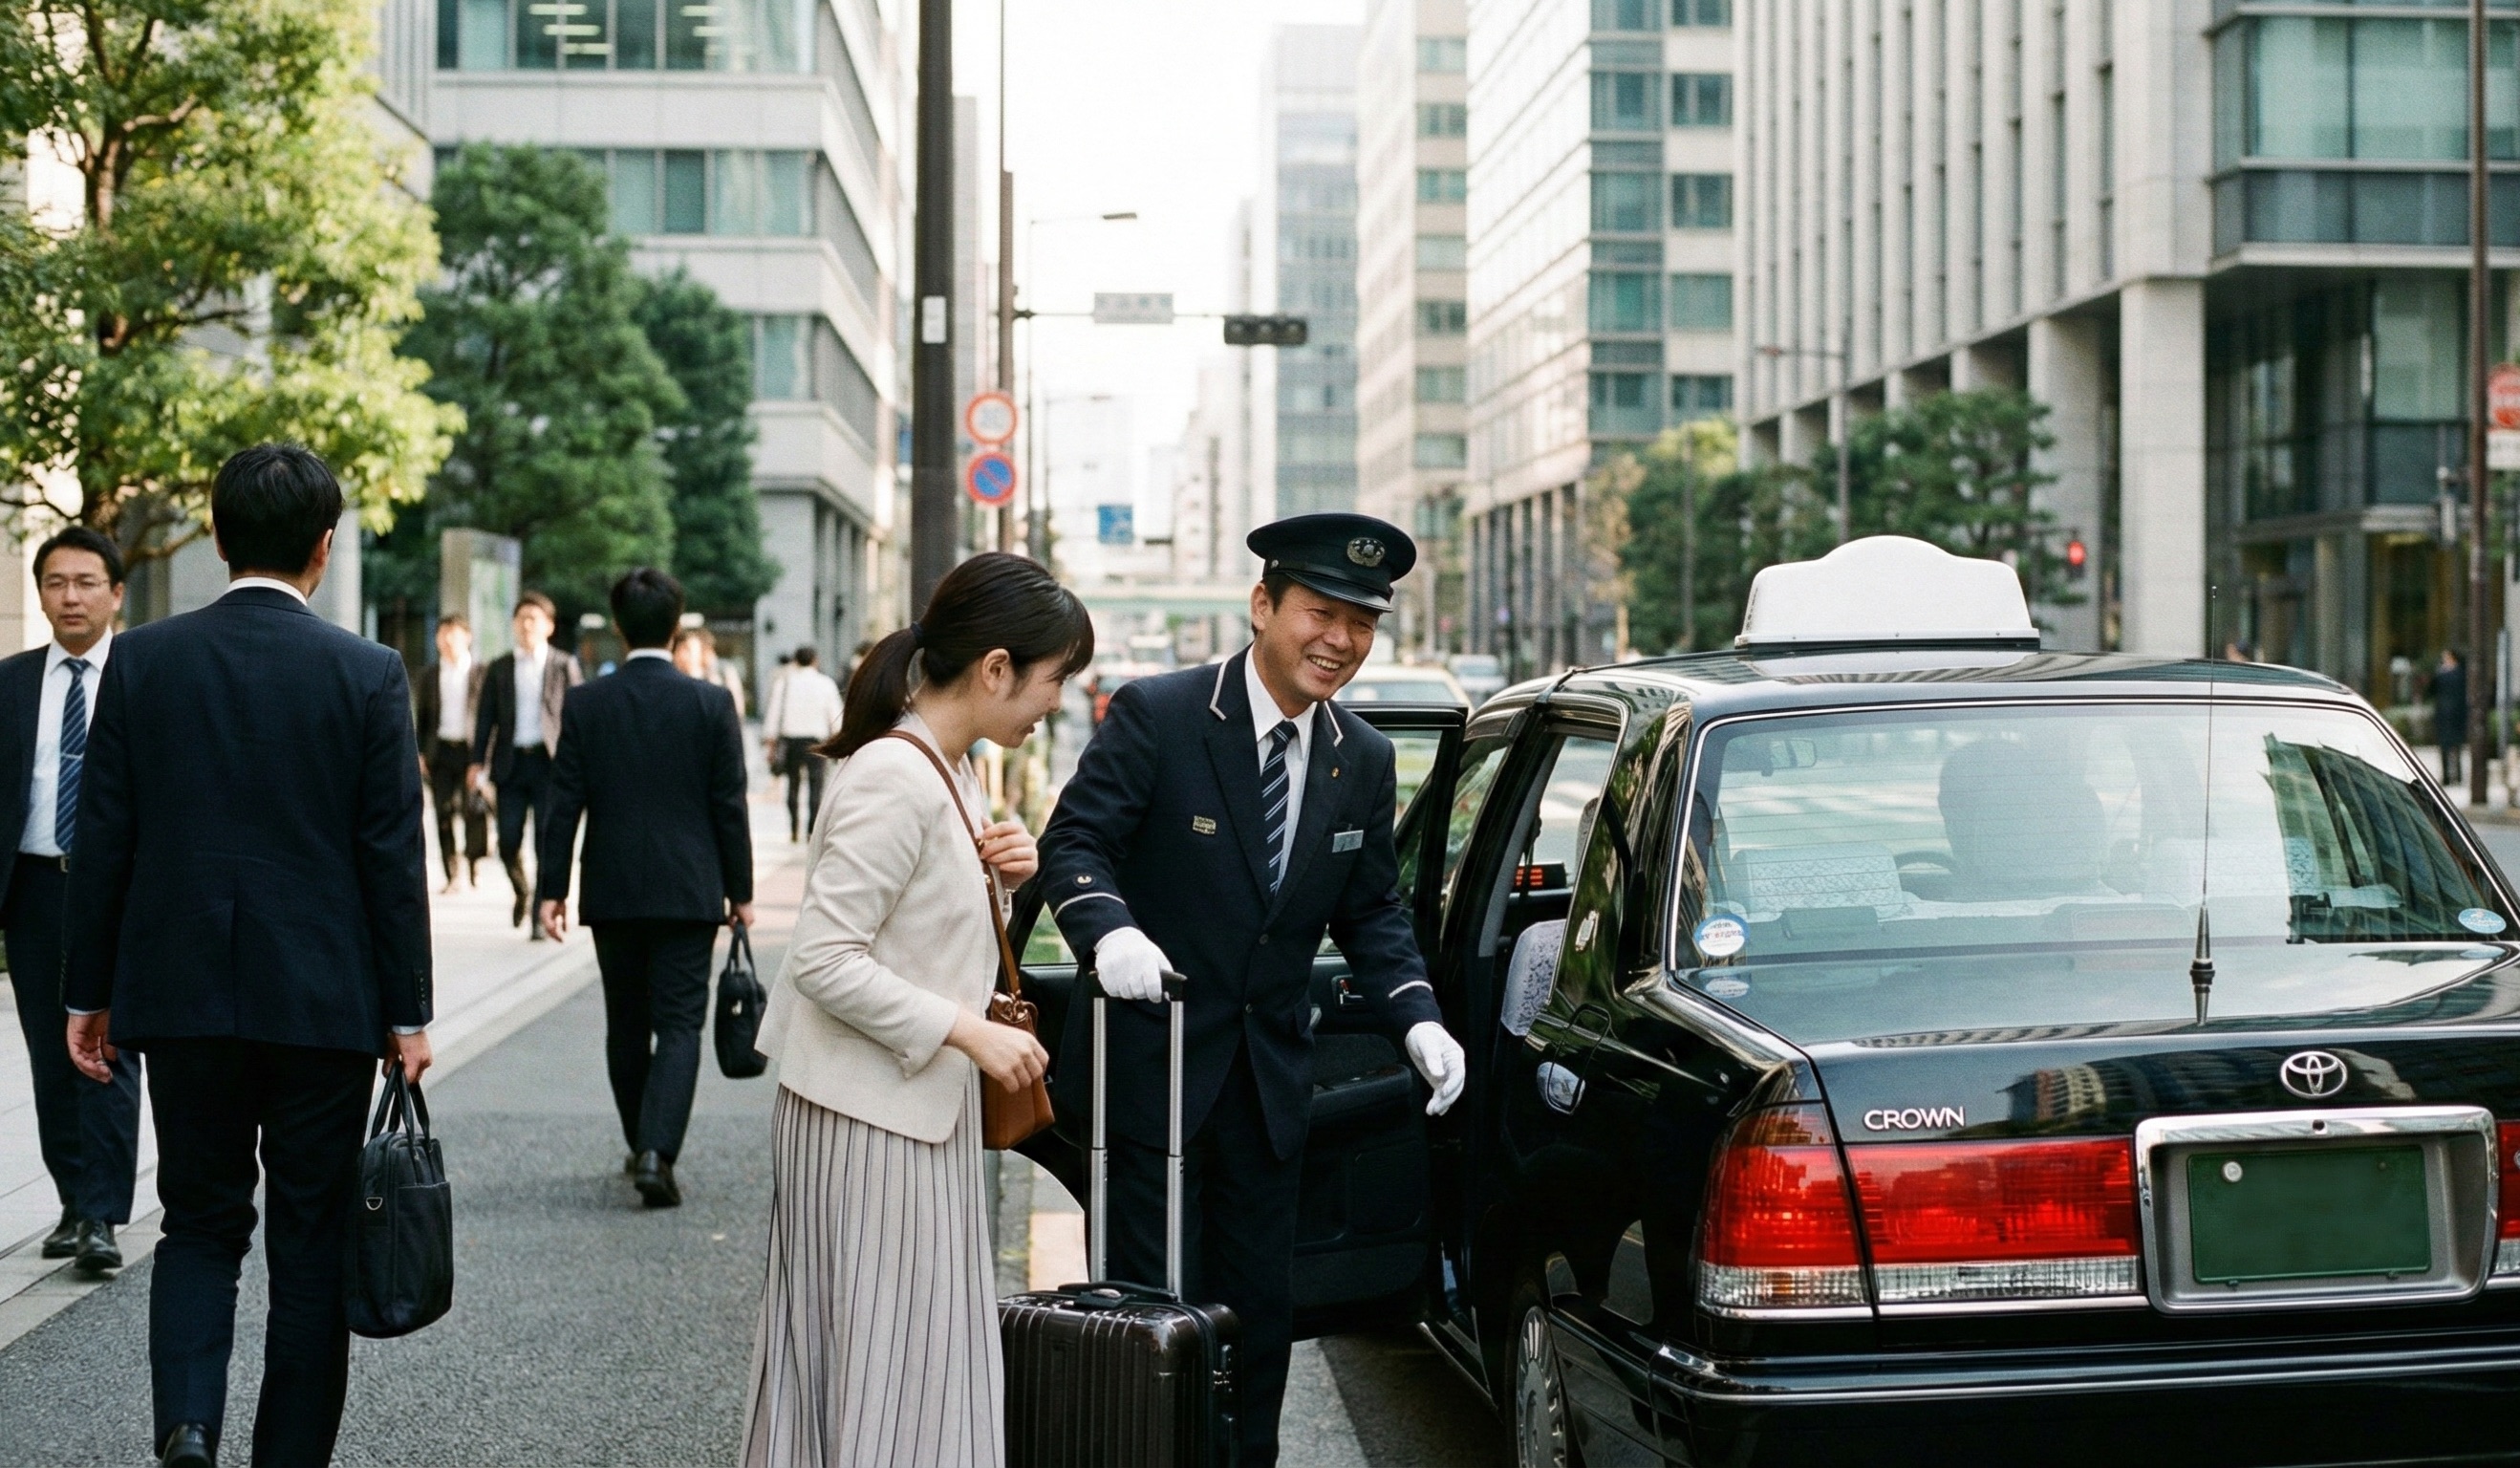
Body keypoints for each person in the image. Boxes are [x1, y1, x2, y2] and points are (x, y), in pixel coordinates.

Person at [1037, 512, 1469, 1468]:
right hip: (1149, 1083)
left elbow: (1373, 917)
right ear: (1262, 605)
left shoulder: (1363, 758)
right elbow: (1075, 844)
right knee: (1148, 1325)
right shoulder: (1162, 713)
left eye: (1361, 624)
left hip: (1267, 1096)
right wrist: (1109, 931)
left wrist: (1418, 1020)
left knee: (1258, 1326)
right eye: (1320, 613)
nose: (1340, 642)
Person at [63, 443, 433, 1468]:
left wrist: (85, 992)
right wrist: (408, 1015)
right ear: (325, 548)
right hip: (322, 1004)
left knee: (196, 1224)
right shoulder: (366, 672)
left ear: (218, 539)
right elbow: (390, 860)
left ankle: (188, 1426)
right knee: (309, 1241)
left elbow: (106, 841)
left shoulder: (143, 661)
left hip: (179, 996)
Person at [741, 552, 1085, 1468]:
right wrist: (966, 1029)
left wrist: (1006, 883)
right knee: (886, 1359)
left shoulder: (948, 768)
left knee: (901, 1359)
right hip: (868, 1115)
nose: (1056, 701)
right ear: (997, 668)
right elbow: (822, 957)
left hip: (895, 1108)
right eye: (1054, 680)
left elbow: (920, 940)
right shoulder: (900, 774)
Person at [537, 570, 754, 1208]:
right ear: (677, 622)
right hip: (690, 889)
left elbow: (563, 803)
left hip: (613, 886)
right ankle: (659, 1152)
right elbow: (729, 806)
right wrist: (740, 892)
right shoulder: (710, 703)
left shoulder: (587, 704)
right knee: (680, 1023)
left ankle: (641, 1143)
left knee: (626, 1024)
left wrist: (550, 889)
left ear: (621, 626)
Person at [0, 526, 142, 1277]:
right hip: (32, 888)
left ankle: (102, 1214)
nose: (71, 596)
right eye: (56, 582)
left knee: (108, 1050)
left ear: (116, 593)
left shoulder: (145, 677)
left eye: (87, 582)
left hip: (117, 892)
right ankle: (70, 1201)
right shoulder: (12, 682)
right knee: (50, 1055)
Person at [469, 591, 583, 935]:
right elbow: (485, 718)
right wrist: (476, 761)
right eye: (521, 619)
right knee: (507, 840)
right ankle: (522, 890)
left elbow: (579, 717)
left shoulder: (564, 665)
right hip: (511, 764)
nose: (527, 625)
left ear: (549, 626)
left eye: (534, 619)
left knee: (545, 841)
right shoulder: (500, 667)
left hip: (550, 766)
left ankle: (538, 915)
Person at [413, 613, 488, 894]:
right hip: (441, 752)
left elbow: (488, 718)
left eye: (454, 634)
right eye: (442, 634)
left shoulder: (481, 673)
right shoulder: (430, 675)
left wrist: (484, 759)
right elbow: (421, 719)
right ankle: (452, 873)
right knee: (443, 813)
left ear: (467, 637)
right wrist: (420, 753)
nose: (447, 640)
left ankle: (474, 862)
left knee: (473, 811)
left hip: (471, 752)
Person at [762, 644, 843, 842]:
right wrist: (838, 740)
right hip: (817, 741)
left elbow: (774, 714)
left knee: (793, 785)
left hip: (791, 741)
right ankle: (811, 829)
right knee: (816, 785)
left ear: (796, 661)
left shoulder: (785, 683)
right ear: (815, 660)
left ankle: (794, 828)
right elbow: (835, 715)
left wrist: (770, 743)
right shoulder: (825, 683)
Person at [671, 622, 748, 720]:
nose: (683, 656)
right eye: (680, 650)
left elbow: (736, 710)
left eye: (688, 650)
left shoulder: (721, 674)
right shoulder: (672, 680)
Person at [2436, 648, 2469, 786]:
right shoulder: (2442, 673)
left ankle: (2456, 775)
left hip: (2455, 715)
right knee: (2445, 747)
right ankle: (2447, 776)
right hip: (2444, 715)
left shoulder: (2458, 673)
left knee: (2456, 746)